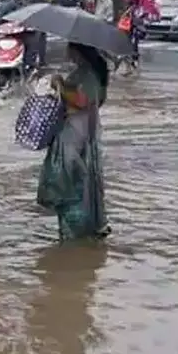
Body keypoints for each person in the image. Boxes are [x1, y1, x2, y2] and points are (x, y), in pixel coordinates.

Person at [39, 42, 111, 241]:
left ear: (78, 51)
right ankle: (87, 227)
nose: (67, 51)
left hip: (75, 134)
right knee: (80, 179)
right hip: (81, 133)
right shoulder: (89, 73)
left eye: (70, 48)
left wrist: (60, 85)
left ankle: (75, 231)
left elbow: (81, 101)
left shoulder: (88, 75)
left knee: (70, 180)